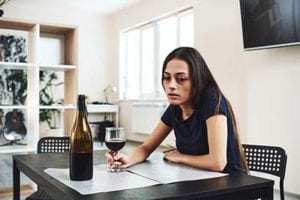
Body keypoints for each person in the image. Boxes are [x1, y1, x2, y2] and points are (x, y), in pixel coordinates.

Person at [106, 47, 248, 174]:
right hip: (195, 179)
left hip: (230, 185)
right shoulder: (175, 108)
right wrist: (127, 159)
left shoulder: (211, 98)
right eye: (167, 78)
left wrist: (180, 157)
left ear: (197, 80)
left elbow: (217, 162)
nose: (171, 85)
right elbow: (146, 147)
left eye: (181, 79)